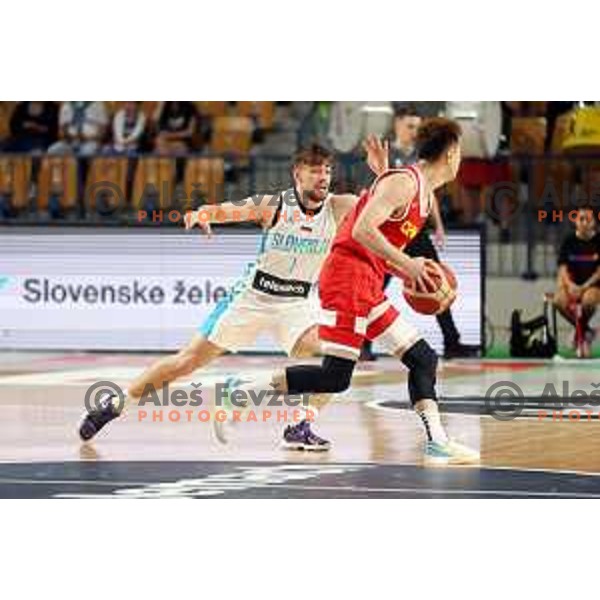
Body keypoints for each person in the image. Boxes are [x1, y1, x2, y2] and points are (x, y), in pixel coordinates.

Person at [78, 143, 384, 445]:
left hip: (296, 303)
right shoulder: (275, 205)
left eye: (327, 171)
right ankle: (114, 405)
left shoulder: (338, 206)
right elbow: (234, 209)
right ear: (297, 174)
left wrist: (382, 172)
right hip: (252, 299)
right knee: (186, 362)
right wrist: (205, 212)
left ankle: (299, 425)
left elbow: (382, 206)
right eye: (315, 171)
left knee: (339, 355)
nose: (323, 177)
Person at [262, 118, 480, 465]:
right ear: (451, 153)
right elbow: (363, 228)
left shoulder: (415, 190)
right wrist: (409, 265)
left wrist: (408, 272)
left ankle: (437, 441)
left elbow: (376, 221)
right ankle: (240, 392)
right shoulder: (405, 183)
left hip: (367, 277)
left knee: (422, 359)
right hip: (348, 275)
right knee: (336, 374)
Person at [362, 107, 479, 360]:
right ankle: (360, 343)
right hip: (368, 249)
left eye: (417, 126)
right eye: (410, 126)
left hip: (409, 230)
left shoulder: (421, 175)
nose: (414, 131)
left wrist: (438, 225)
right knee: (376, 285)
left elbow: (420, 197)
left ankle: (452, 341)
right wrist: (405, 264)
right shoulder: (402, 170)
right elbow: (364, 223)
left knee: (433, 281)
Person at [554, 207, 600, 358]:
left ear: (594, 223)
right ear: (575, 222)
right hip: (572, 285)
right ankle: (586, 331)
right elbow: (562, 268)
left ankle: (580, 334)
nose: (585, 222)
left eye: (588, 219)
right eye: (581, 219)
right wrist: (570, 285)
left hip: (592, 285)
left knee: (589, 300)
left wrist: (584, 286)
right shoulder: (569, 241)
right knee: (558, 300)